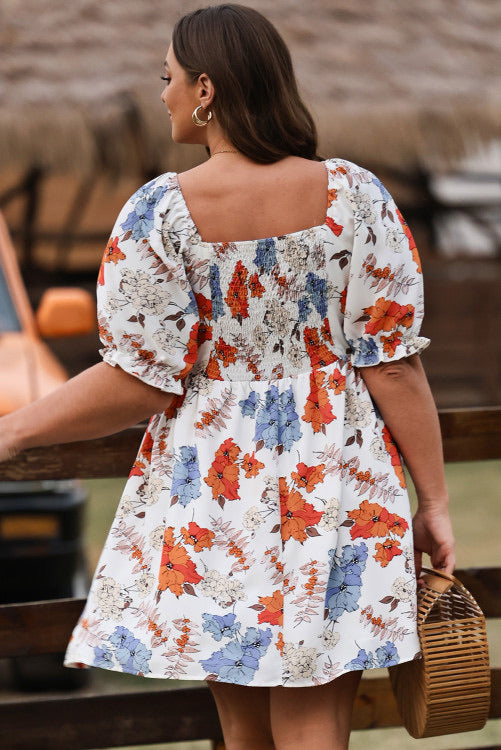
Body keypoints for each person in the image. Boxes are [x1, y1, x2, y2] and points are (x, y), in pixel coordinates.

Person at [0, 4, 455, 749]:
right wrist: (433, 501)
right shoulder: (355, 195)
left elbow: (141, 380)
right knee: (314, 722)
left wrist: (14, 431)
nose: (163, 94)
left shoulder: (159, 214)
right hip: (333, 474)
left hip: (211, 480)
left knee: (242, 733)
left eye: (169, 78)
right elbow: (393, 363)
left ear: (205, 89)